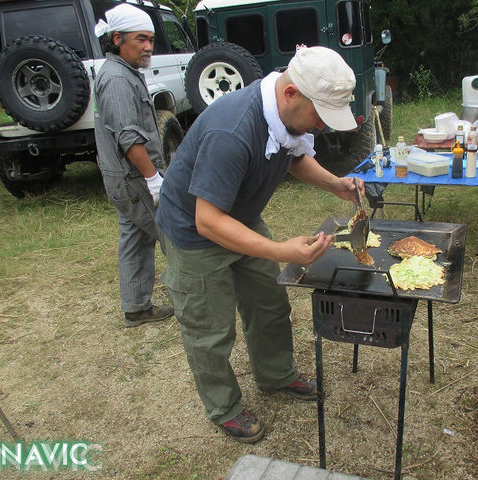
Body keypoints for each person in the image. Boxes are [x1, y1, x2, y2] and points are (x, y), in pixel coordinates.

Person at [156, 46, 364, 443]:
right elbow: (208, 221)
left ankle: (277, 375)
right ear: (291, 94)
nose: (321, 126)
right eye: (319, 115)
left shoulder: (285, 116)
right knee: (210, 328)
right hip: (193, 231)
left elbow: (294, 155)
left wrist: (335, 184)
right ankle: (224, 407)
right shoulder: (231, 131)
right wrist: (281, 251)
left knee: (269, 303)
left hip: (239, 217)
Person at [93, 3, 173, 328]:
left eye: (151, 40)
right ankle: (195, 295)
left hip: (127, 177)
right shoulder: (116, 79)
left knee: (135, 236)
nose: (148, 47)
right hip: (134, 178)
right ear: (117, 38)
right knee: (173, 232)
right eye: (141, 39)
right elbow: (128, 138)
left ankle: (136, 307)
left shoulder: (123, 73)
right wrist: (153, 179)